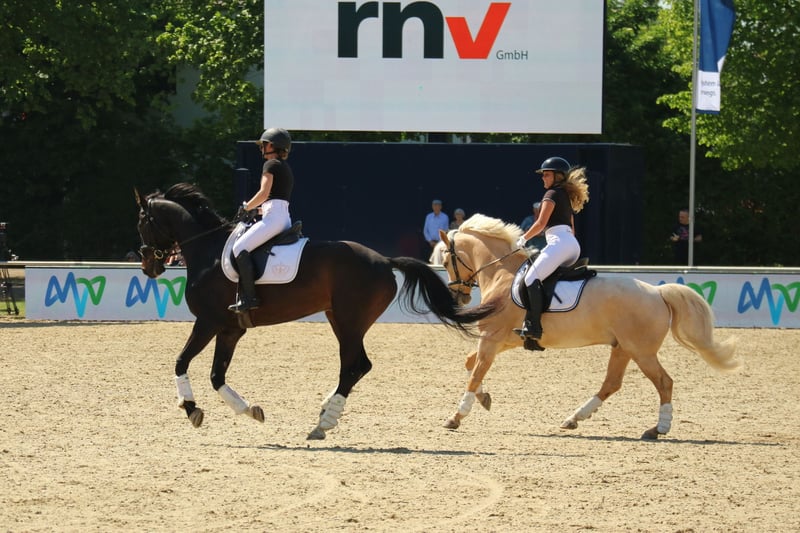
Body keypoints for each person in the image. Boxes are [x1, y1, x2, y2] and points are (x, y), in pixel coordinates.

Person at [514, 157, 590, 347]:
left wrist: (522, 239)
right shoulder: (565, 196)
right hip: (571, 244)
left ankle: (534, 326)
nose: (543, 178)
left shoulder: (551, 194)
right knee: (545, 277)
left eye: (547, 174)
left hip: (560, 243)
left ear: (558, 176)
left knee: (530, 279)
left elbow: (540, 224)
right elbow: (572, 228)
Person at [229, 127, 294, 313]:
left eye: (263, 145)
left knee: (239, 248)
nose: (261, 148)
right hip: (282, 217)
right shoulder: (285, 167)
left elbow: (264, 193)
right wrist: (256, 211)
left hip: (274, 219)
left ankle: (250, 298)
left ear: (272, 145)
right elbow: (276, 200)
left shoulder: (270, 164)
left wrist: (246, 207)